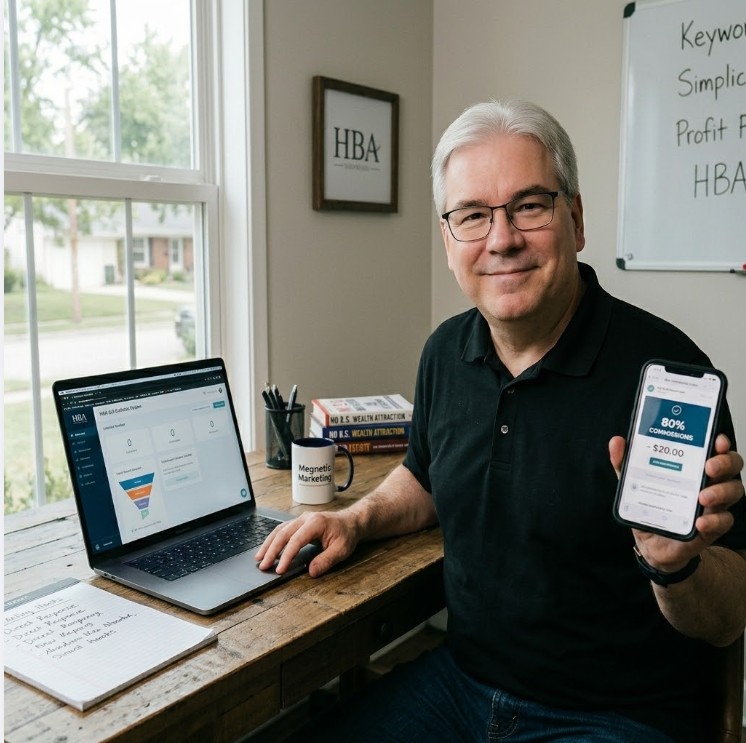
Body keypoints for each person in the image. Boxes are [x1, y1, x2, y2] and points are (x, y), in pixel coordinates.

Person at [256, 99, 746, 743]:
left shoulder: (669, 375)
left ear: (575, 219)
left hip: (616, 715)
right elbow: (425, 477)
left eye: (530, 207)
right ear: (448, 237)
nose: (502, 238)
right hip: (461, 686)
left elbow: (728, 616)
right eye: (473, 215)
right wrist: (353, 519)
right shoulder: (444, 352)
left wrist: (674, 565)